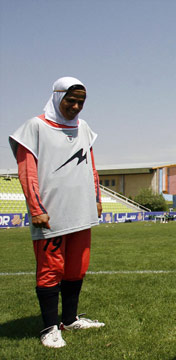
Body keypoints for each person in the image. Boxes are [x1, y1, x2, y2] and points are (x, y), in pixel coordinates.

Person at [8, 77, 105, 348]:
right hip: (51, 215)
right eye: (70, 100)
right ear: (57, 96)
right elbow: (27, 172)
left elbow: (91, 166)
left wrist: (96, 199)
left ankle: (70, 318)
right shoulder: (34, 127)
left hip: (81, 211)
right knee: (51, 269)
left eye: (81, 102)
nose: (75, 106)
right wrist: (36, 208)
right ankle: (50, 328)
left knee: (76, 268)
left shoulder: (83, 128)